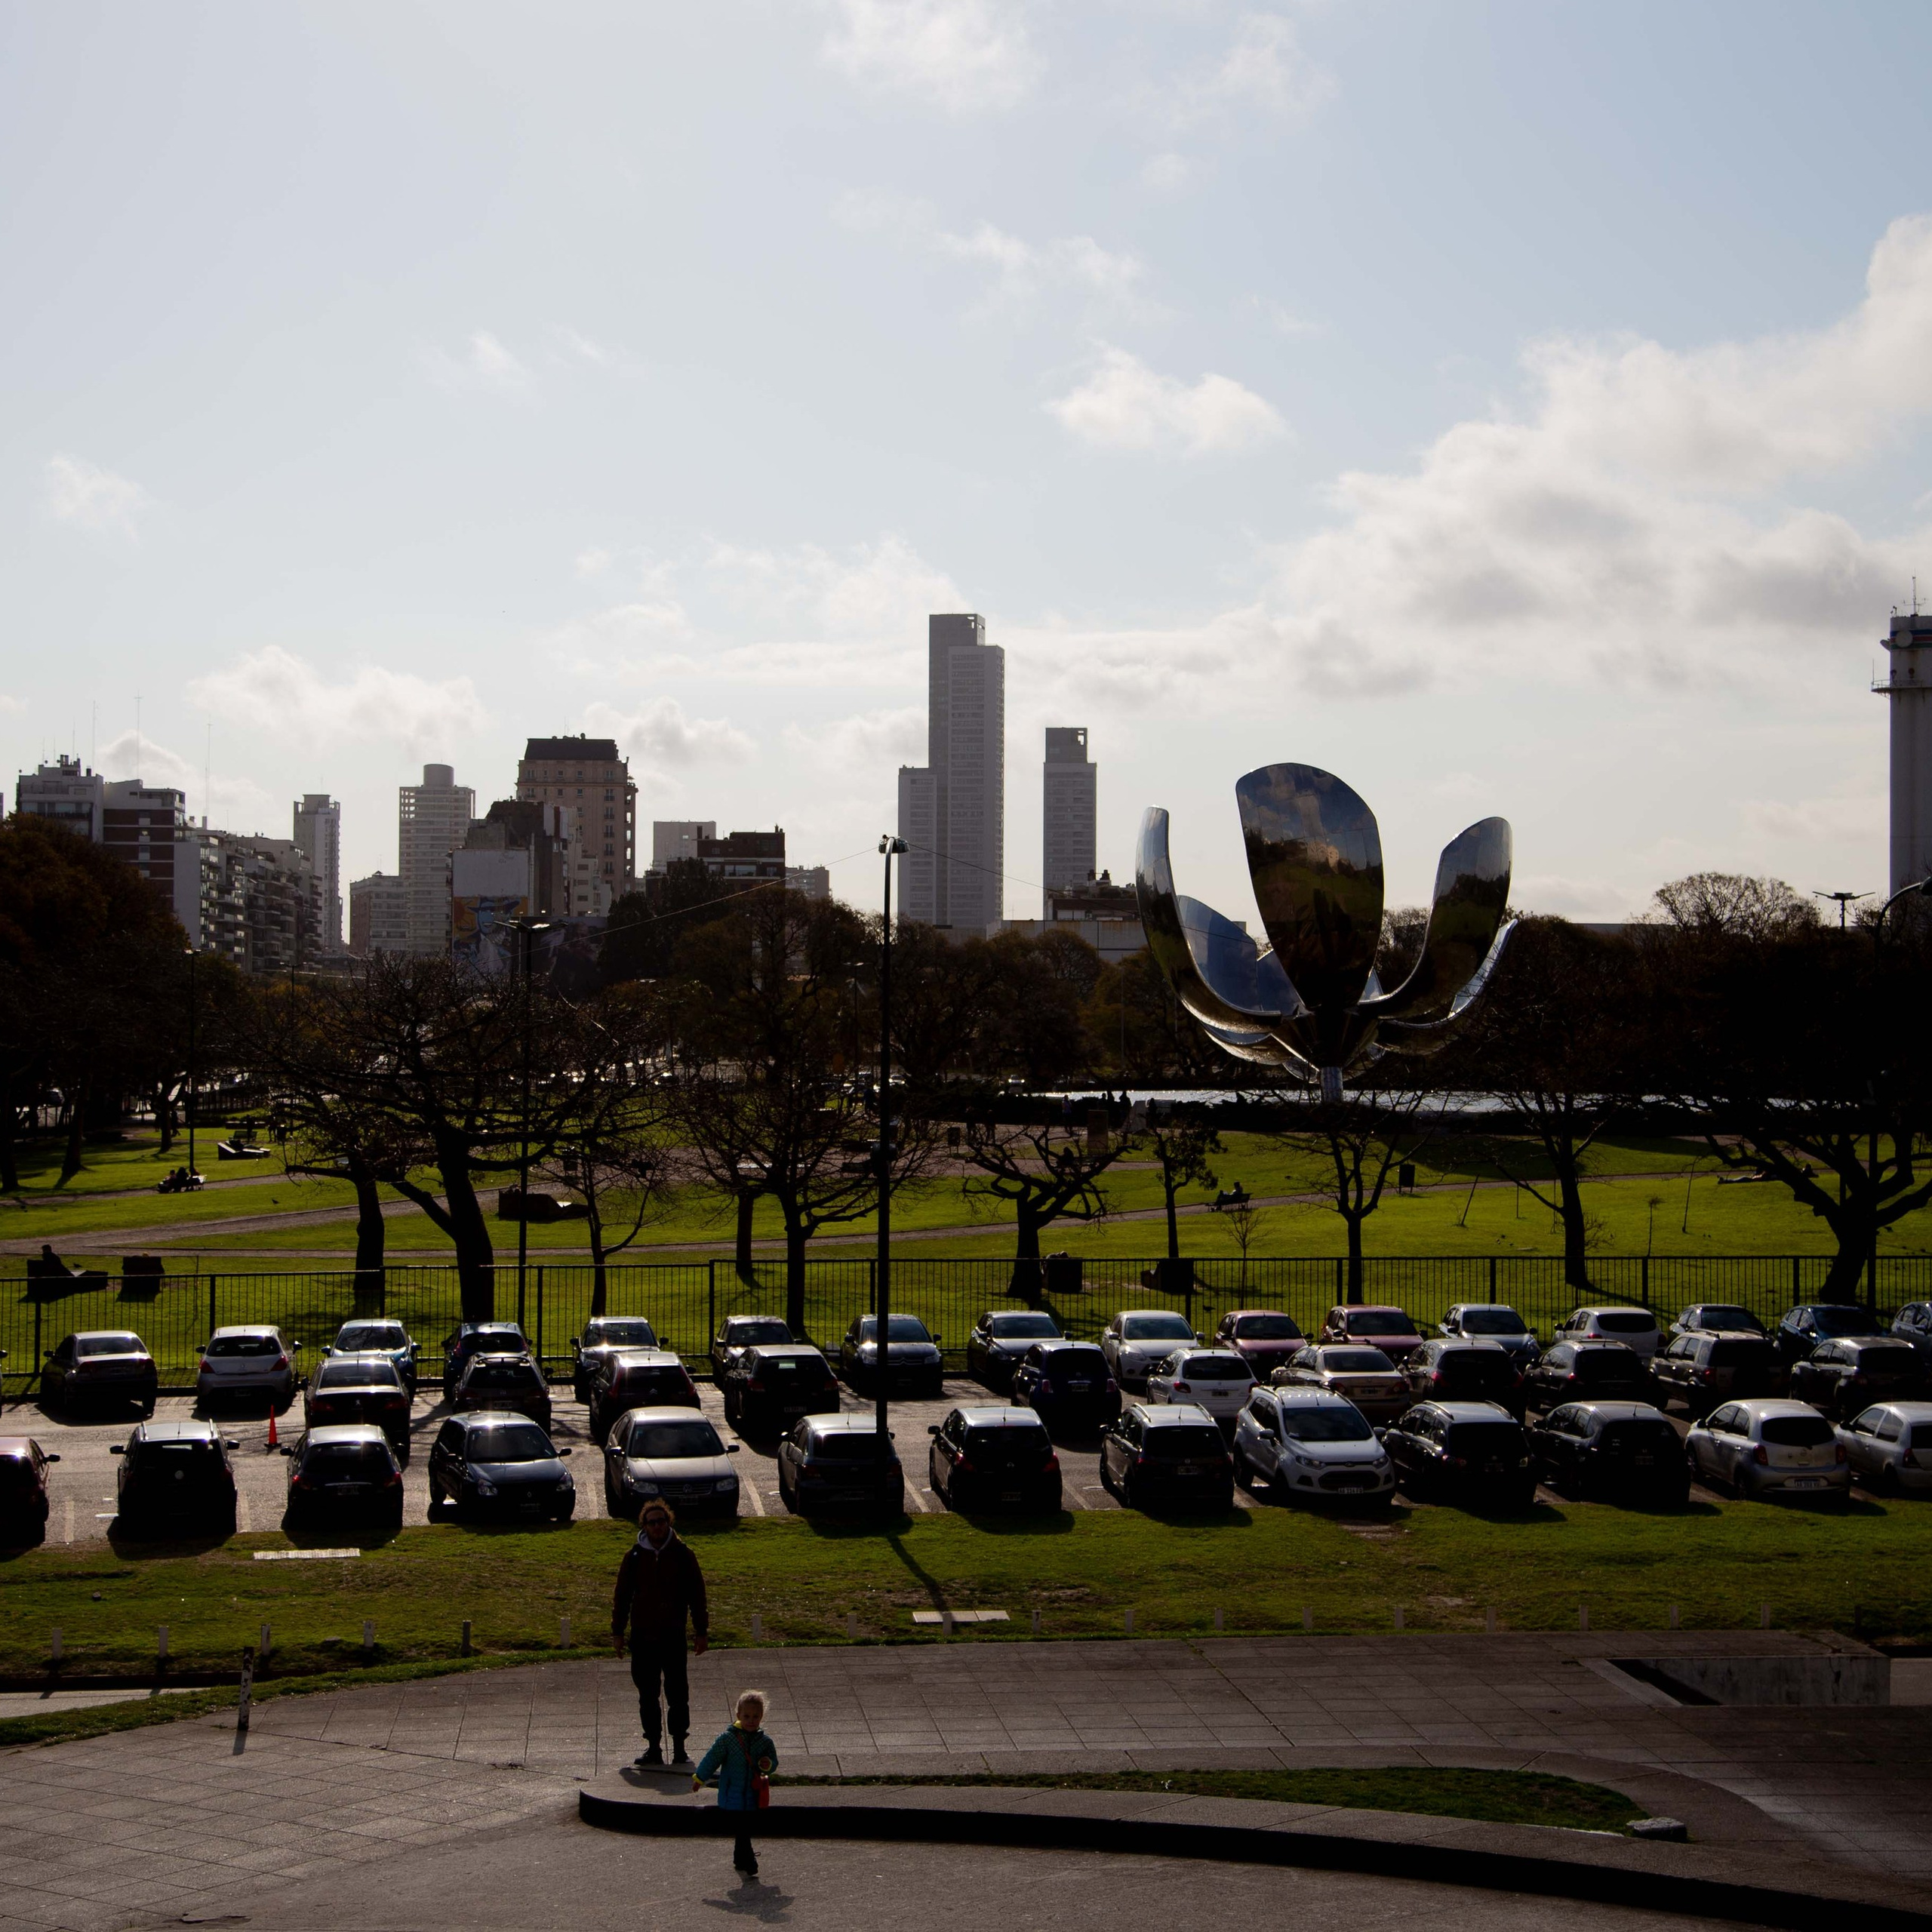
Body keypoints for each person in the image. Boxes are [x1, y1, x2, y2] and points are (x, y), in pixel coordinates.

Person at [611, 1499, 708, 1767]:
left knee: (678, 1695)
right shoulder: (633, 1557)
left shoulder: (684, 1555)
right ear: (644, 1525)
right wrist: (617, 1633)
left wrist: (702, 1631)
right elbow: (622, 1598)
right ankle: (653, 1746)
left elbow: (697, 1596)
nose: (657, 1526)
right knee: (647, 1695)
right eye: (652, 1522)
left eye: (661, 1521)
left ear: (669, 1523)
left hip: (674, 1637)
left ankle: (679, 1748)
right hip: (643, 1639)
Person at [695, 1689, 777, 1879]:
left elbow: (772, 1762)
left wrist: (768, 1764)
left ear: (761, 1717)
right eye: (746, 1716)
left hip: (753, 1794)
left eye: (755, 1716)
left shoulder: (764, 1741)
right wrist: (699, 1778)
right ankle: (749, 1862)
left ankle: (740, 1859)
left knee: (744, 1829)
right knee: (742, 1829)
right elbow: (712, 1758)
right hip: (732, 1792)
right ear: (738, 1715)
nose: (751, 1720)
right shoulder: (728, 1739)